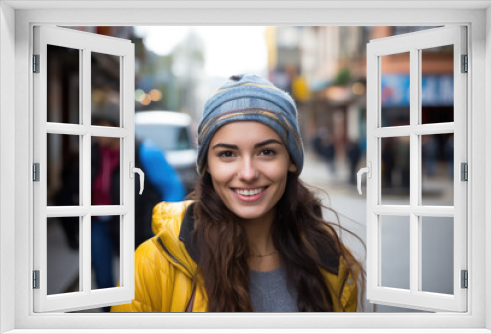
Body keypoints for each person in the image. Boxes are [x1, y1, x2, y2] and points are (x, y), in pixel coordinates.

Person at [111, 74, 365, 312]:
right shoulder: (151, 265)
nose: (247, 173)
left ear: (292, 160)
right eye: (227, 154)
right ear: (207, 166)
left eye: (266, 152)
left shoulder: (332, 263)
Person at [91, 112, 186, 293]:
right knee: (102, 279)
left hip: (135, 223)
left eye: (104, 127)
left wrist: (166, 225)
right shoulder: (92, 152)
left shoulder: (145, 151)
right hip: (99, 222)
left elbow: (172, 188)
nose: (99, 132)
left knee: (138, 278)